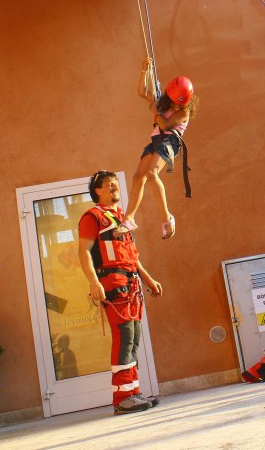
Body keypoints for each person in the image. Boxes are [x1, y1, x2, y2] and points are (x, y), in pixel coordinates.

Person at [78, 170, 163, 414]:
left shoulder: (121, 217)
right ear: (97, 191)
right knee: (124, 336)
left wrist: (147, 278)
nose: (115, 188)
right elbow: (83, 252)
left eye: (116, 185)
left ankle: (132, 392)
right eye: (110, 185)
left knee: (133, 337)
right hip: (112, 281)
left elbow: (131, 255)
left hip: (131, 283)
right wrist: (94, 282)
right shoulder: (92, 216)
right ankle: (122, 398)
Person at [117, 57, 197, 240]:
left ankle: (166, 217)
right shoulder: (165, 102)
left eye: (180, 102)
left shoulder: (184, 112)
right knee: (138, 177)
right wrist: (145, 70)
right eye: (175, 101)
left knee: (152, 174)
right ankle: (129, 219)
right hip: (156, 141)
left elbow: (166, 124)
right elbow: (142, 92)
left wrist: (155, 112)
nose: (177, 105)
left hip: (170, 142)